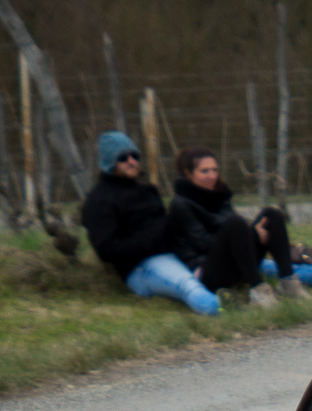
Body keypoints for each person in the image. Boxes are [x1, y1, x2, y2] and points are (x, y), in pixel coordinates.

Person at [166, 148, 312, 304]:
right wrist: (252, 235)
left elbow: (234, 230)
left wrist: (250, 232)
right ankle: (257, 289)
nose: (212, 176)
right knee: (236, 224)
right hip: (208, 273)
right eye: (204, 171)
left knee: (272, 215)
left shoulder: (219, 195)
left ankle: (288, 282)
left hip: (236, 261)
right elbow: (203, 244)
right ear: (188, 174)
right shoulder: (181, 204)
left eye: (215, 170)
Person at [82, 132, 222, 315]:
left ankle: (267, 274)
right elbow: (106, 249)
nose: (131, 161)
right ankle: (219, 308)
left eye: (135, 156)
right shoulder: (99, 200)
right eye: (123, 158)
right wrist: (151, 238)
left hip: (174, 252)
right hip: (141, 267)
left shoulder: (146, 190)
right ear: (109, 162)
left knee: (226, 256)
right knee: (187, 284)